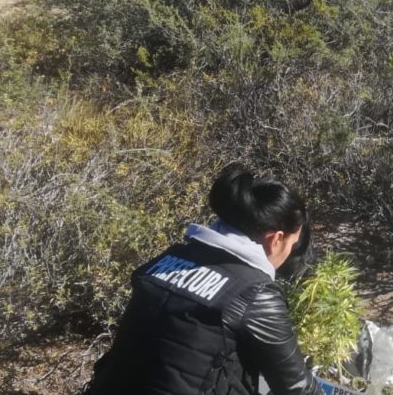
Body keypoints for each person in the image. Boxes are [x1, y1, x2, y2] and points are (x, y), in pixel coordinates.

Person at [85, 163, 319, 395]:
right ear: (276, 239)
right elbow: (298, 388)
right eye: (292, 243)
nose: (290, 252)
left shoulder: (169, 258)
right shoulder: (256, 293)